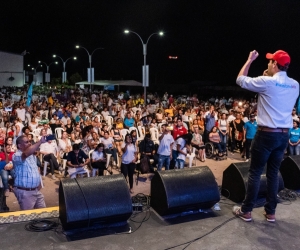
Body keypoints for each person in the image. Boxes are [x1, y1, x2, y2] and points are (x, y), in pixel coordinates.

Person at [233, 50, 299, 222]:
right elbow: (275, 87)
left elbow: (240, 79)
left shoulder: (267, 82)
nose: (268, 64)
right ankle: (271, 212)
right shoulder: (295, 85)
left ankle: (246, 211)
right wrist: (268, 75)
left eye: (270, 62)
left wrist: (249, 60)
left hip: (266, 134)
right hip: (283, 136)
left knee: (255, 172)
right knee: (273, 173)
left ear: (275, 64)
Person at [12, 135, 47, 210]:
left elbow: (35, 170)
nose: (29, 143)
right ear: (19, 145)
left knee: (43, 214)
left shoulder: (32, 155)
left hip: (36, 190)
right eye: (26, 142)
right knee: (28, 218)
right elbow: (25, 154)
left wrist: (39, 182)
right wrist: (40, 141)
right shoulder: (16, 155)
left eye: (30, 142)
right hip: (25, 192)